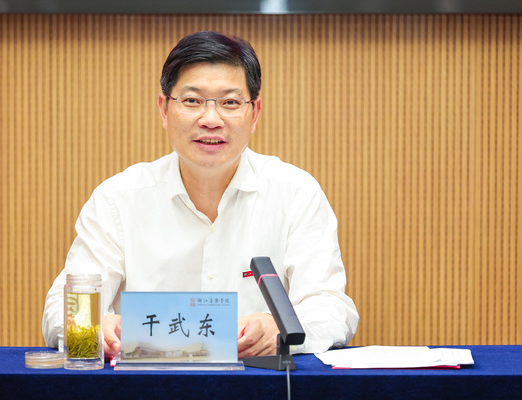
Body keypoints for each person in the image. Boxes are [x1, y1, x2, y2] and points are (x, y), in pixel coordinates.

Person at [42, 31, 359, 360]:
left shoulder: (296, 194)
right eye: (192, 101)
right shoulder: (118, 199)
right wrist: (92, 327)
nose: (210, 119)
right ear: (164, 109)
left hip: (259, 382)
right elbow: (60, 309)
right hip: (147, 384)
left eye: (230, 103)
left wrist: (281, 330)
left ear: (255, 114)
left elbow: (332, 307)